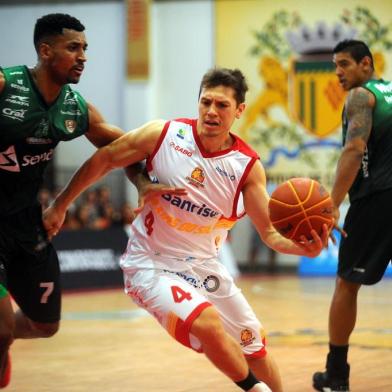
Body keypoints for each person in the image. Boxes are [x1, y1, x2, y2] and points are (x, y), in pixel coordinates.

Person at [44, 67, 329, 392]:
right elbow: (105, 158)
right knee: (207, 322)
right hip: (149, 264)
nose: (211, 111)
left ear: (239, 110)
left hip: (203, 267)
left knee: (255, 345)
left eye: (221, 105)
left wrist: (303, 248)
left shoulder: (246, 169)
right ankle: (255, 389)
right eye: (205, 102)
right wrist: (61, 204)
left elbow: (270, 233)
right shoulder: (163, 136)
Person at [0, 13, 182, 388]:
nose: (83, 56)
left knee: (44, 325)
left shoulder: (73, 106)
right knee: (0, 328)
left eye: (85, 48)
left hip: (26, 225)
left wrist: (143, 183)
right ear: (45, 51)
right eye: (73, 48)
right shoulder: (6, 85)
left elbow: (122, 149)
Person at [312, 39, 392, 391]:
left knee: (347, 284)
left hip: (378, 200)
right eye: (335, 65)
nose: (338, 73)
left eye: (344, 64)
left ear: (366, 63)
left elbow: (354, 149)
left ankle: (336, 375)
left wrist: (332, 204)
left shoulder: (361, 96)